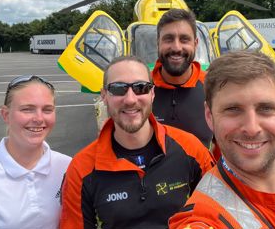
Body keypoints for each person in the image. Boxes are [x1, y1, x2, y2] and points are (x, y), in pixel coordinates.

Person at [169, 51, 275, 229]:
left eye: (266, 108)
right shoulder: (202, 220)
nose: (252, 129)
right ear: (209, 116)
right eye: (233, 109)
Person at [60, 56, 214, 229]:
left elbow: (216, 211)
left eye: (141, 88)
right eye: (118, 89)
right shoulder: (81, 169)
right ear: (104, 96)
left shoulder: (191, 149)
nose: (130, 99)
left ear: (152, 94)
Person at [0, 75, 71, 229]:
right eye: (27, 109)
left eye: (47, 110)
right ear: (5, 114)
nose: (39, 118)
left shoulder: (68, 166)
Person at [152, 8, 213, 149]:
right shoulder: (139, 89)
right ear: (158, 43)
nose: (176, 47)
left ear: (195, 44)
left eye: (184, 39)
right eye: (168, 39)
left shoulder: (213, 87)